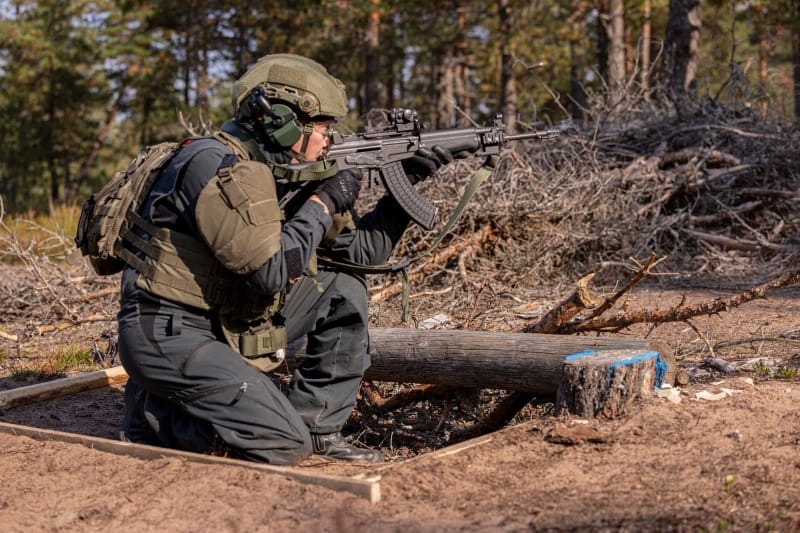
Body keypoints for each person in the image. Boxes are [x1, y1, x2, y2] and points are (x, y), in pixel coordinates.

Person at [116, 53, 457, 464]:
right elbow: (269, 273)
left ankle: (317, 428)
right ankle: (154, 418)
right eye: (324, 128)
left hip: (220, 321)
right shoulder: (214, 164)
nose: (330, 140)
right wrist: (324, 200)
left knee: (341, 287)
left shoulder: (281, 173)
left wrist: (407, 188)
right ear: (282, 120)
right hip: (167, 331)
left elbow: (361, 255)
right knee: (281, 442)